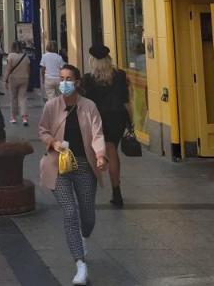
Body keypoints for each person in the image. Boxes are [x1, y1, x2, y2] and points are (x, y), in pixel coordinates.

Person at [38, 63, 107, 286]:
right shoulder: (52, 106)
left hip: (85, 165)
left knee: (87, 216)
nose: (64, 83)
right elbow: (43, 130)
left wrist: (100, 155)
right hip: (58, 166)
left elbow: (97, 134)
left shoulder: (89, 107)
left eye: (69, 79)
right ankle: (80, 264)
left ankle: (83, 236)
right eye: (62, 78)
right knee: (70, 212)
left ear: (77, 83)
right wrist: (52, 142)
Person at [81, 44, 131, 207]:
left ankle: (91, 191)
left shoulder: (88, 79)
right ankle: (117, 191)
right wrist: (131, 122)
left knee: (95, 153)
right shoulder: (120, 76)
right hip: (117, 117)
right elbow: (126, 101)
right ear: (109, 60)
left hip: (97, 119)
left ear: (93, 61)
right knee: (112, 151)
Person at [5, 40, 31, 128]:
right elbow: (28, 69)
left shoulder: (11, 56)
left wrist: (5, 80)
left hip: (13, 79)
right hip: (24, 78)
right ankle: (24, 117)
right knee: (22, 98)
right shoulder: (25, 56)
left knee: (13, 98)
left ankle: (13, 117)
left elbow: (8, 69)